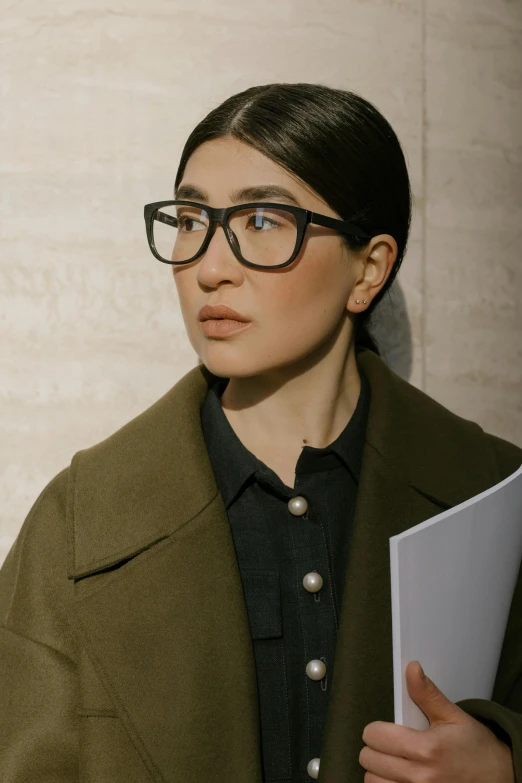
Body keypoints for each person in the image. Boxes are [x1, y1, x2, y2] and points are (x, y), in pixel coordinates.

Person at [0, 82, 520, 783]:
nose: (210, 268)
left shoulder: (491, 496)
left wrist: (506, 764)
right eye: (190, 219)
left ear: (368, 269)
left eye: (264, 221)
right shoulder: (80, 525)